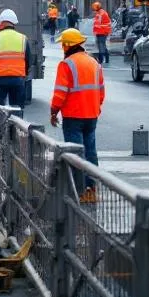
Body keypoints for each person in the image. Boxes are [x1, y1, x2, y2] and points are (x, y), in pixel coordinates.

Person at [51, 29, 103, 202]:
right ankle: (91, 189)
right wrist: (96, 108)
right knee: (91, 152)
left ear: (68, 45)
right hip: (91, 115)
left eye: (63, 45)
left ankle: (79, 191)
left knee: (76, 154)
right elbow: (101, 91)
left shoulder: (67, 64)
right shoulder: (94, 62)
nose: (62, 48)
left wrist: (54, 111)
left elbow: (60, 93)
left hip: (73, 116)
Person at [0, 9, 34, 116]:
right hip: (18, 79)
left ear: (1, 23)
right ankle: (16, 125)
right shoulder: (23, 39)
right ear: (14, 23)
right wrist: (23, 73)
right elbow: (29, 60)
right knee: (17, 111)